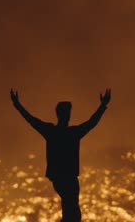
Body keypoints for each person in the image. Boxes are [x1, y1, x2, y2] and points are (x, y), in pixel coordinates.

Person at [10, 88, 111, 222]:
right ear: (66, 115)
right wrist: (102, 106)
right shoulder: (71, 133)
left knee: (71, 211)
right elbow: (91, 123)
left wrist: (18, 106)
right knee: (72, 212)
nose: (68, 115)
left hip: (60, 179)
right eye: (67, 112)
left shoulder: (52, 131)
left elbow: (31, 120)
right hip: (67, 178)